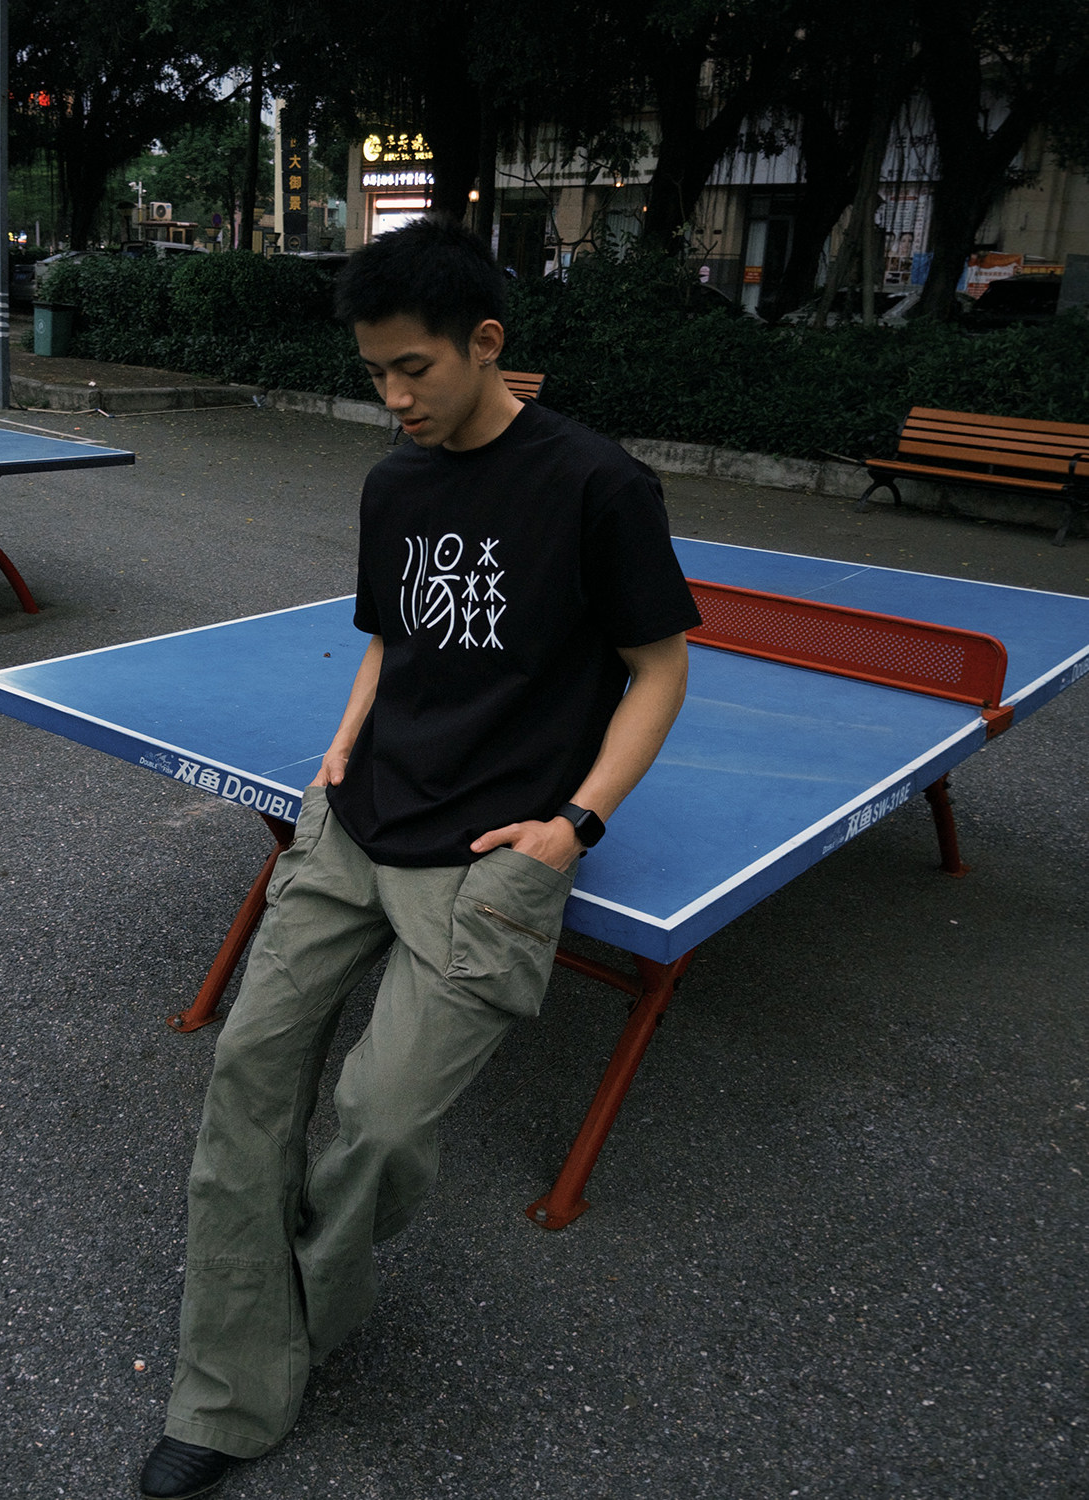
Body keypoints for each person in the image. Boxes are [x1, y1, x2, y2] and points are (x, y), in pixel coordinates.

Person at [138, 215, 701, 1499]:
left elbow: (660, 669)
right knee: (248, 1073)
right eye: (375, 373)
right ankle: (228, 1393)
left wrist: (574, 827)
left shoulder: (597, 486)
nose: (393, 398)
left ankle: (291, 1308)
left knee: (382, 1128)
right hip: (356, 819)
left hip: (491, 855)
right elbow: (392, 640)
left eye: (413, 369)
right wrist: (340, 750)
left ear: (484, 342)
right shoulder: (394, 484)